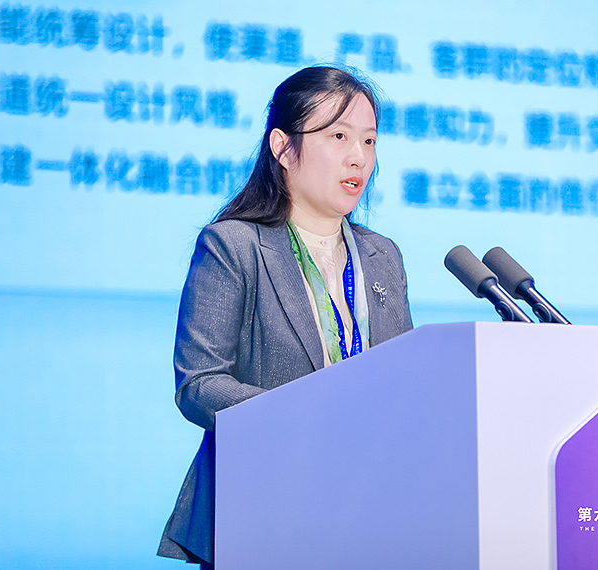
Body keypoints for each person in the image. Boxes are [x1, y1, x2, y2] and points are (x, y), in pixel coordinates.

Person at [156, 66, 414, 568]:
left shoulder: (382, 256)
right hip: (262, 509)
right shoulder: (233, 245)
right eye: (338, 136)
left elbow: (404, 381)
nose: (359, 157)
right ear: (283, 147)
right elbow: (199, 384)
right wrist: (308, 417)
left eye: (369, 140)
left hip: (368, 510)